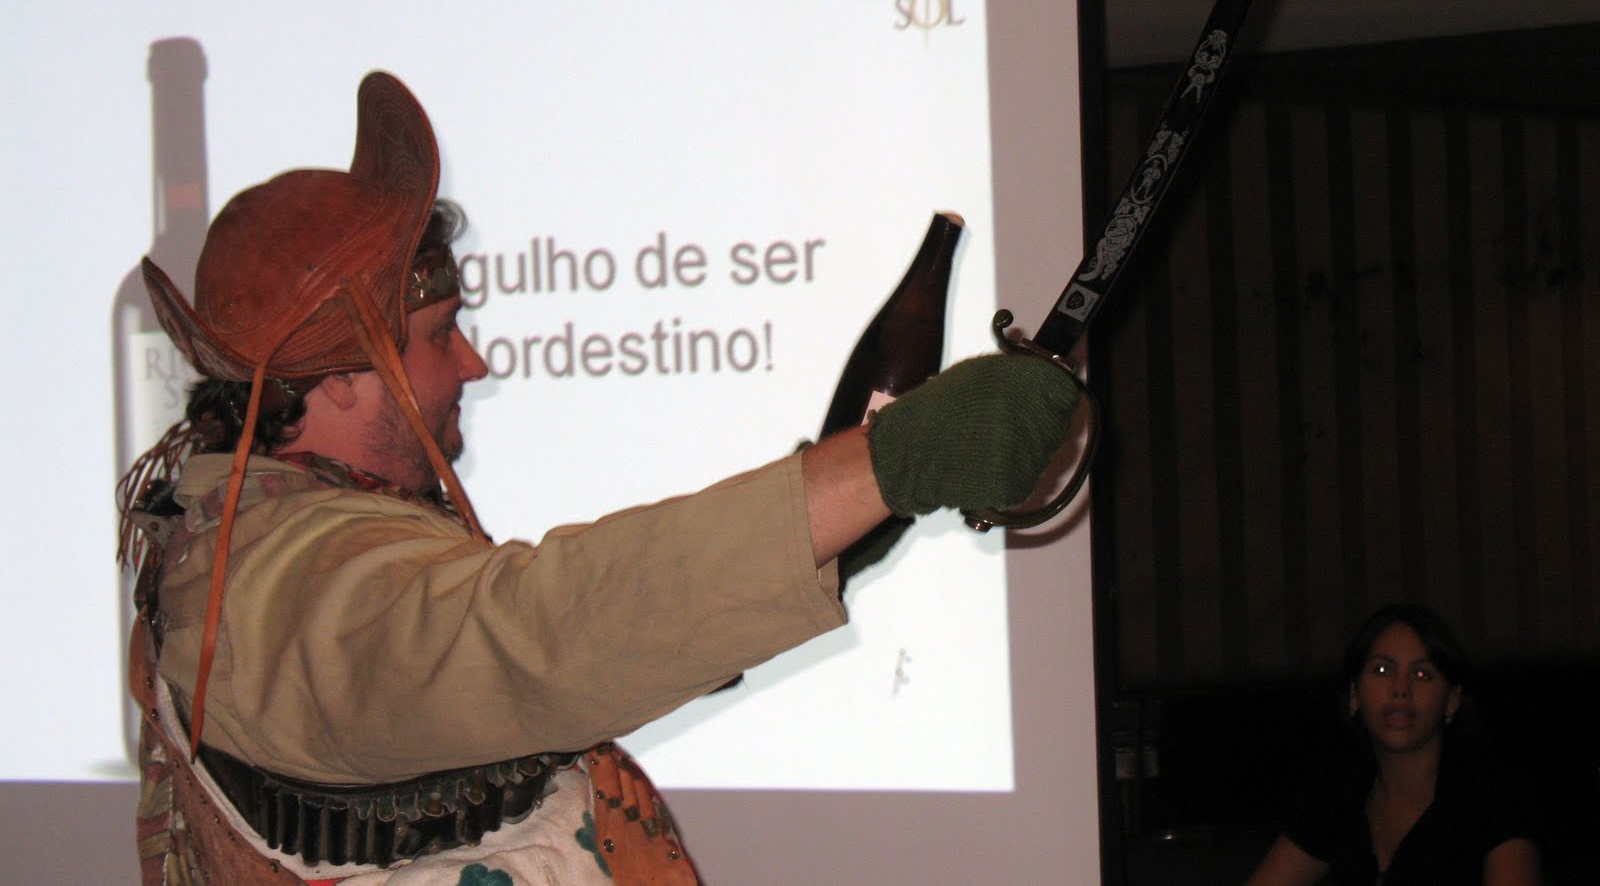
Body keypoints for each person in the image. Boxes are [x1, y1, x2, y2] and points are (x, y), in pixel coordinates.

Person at [117, 71, 1084, 885]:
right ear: (338, 376)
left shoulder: (279, 547)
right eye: (441, 335)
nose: (473, 363)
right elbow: (534, 636)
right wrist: (889, 462)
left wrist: (835, 523)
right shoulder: (272, 589)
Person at [1244, 603, 1542, 886]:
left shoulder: (1491, 800)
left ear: (1452, 700)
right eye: (1382, 671)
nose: (1401, 689)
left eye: (1422, 674)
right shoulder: (1340, 794)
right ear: (1354, 694)